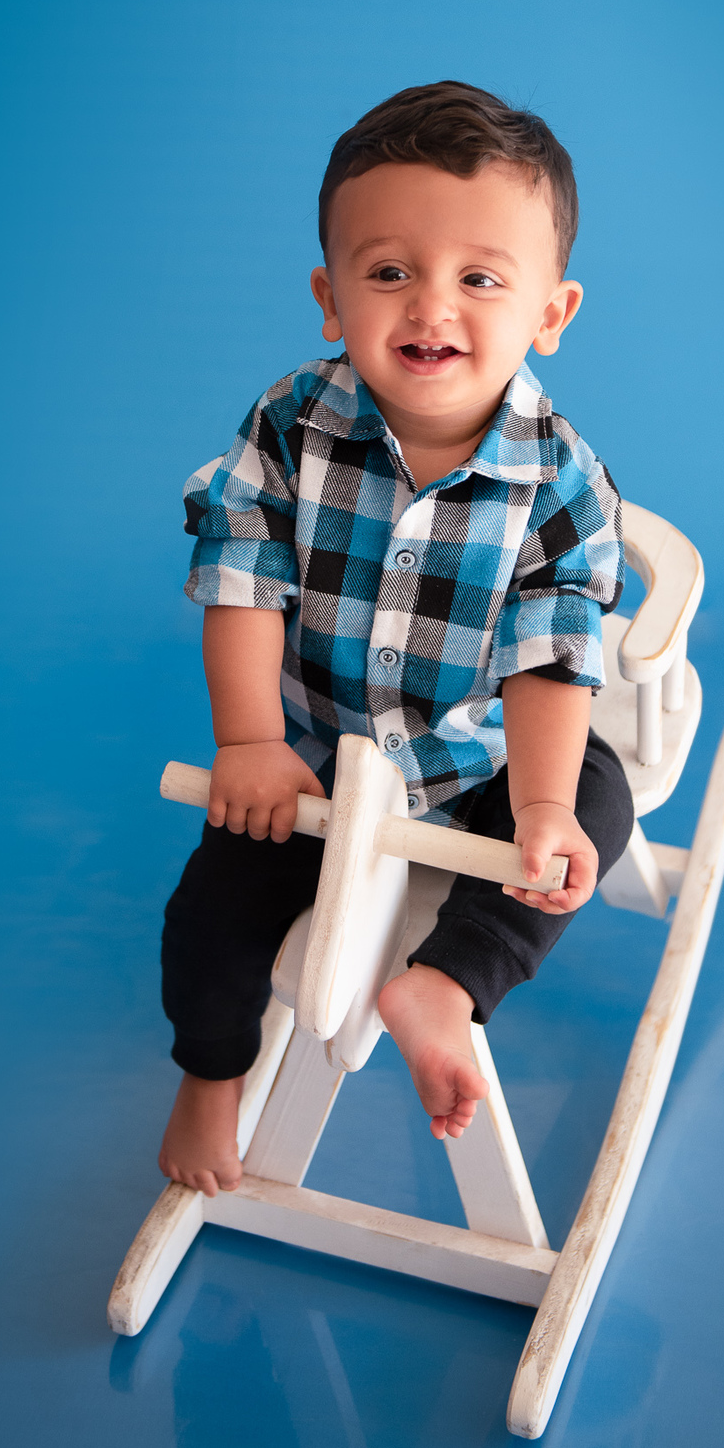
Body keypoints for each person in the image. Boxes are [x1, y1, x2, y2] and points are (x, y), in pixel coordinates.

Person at [159, 81, 634, 1197]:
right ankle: (211, 1074)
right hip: (317, 753)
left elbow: (550, 652)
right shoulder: (291, 424)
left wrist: (541, 805)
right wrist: (250, 740)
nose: (431, 308)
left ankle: (446, 985)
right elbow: (241, 578)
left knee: (592, 805)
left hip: (476, 753)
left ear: (551, 312)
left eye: (480, 279)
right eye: (388, 273)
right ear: (331, 297)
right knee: (209, 913)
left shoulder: (562, 482)